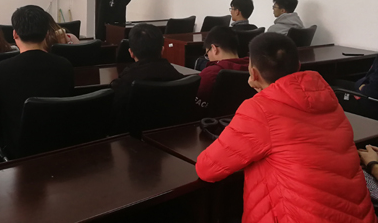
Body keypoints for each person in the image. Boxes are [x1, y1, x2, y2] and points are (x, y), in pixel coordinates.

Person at [196, 33, 375, 223]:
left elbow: (207, 169)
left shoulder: (260, 110)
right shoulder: (328, 98)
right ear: (298, 66)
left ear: (253, 73)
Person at [0, 5, 74, 158]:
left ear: (15, 34)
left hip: (18, 153)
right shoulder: (65, 66)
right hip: (58, 147)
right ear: (47, 33)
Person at [110, 23, 185, 134]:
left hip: (131, 140)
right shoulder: (181, 79)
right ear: (162, 50)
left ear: (131, 52)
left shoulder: (122, 84)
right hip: (172, 137)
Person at [195, 26, 249, 112]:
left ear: (214, 48)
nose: (208, 58)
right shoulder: (254, 68)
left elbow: (197, 107)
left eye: (207, 54)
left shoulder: (210, 73)